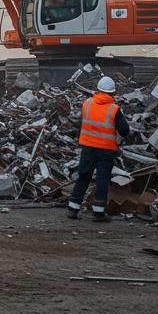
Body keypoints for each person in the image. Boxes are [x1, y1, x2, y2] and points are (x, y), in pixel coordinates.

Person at [67, 76, 131, 222]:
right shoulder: (114, 109)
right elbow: (125, 130)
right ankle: (98, 213)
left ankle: (73, 209)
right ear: (112, 93)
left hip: (88, 147)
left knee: (83, 176)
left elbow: (82, 122)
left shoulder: (87, 103)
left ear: (98, 90)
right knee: (102, 179)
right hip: (105, 150)